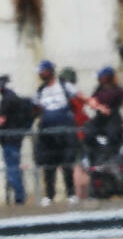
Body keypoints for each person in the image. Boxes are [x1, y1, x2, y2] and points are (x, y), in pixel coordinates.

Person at [33, 60, 92, 206]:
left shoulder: (64, 85)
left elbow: (80, 97)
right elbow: (36, 109)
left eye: (42, 71)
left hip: (64, 132)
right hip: (48, 134)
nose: (41, 74)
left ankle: (71, 194)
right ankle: (49, 195)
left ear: (50, 71)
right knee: (49, 166)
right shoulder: (41, 90)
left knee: (67, 163)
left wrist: (95, 104)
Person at [82, 67, 123, 196]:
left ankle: (111, 161)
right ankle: (97, 159)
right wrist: (99, 107)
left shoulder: (117, 90)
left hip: (113, 118)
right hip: (100, 119)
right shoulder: (98, 90)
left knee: (113, 135)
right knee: (88, 131)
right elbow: (92, 102)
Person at [0, 75, 33, 205]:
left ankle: (19, 197)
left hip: (9, 139)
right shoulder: (14, 97)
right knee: (14, 168)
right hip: (16, 138)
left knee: (12, 168)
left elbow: (1, 120)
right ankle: (17, 196)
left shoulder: (7, 100)